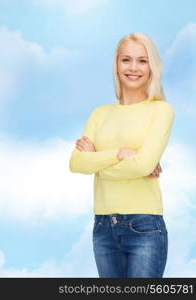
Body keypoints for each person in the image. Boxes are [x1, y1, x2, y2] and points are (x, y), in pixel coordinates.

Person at [69, 32, 175, 278]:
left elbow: (142, 165)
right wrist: (120, 154)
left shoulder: (161, 110)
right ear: (116, 64)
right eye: (126, 60)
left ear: (152, 67)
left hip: (145, 226)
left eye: (142, 60)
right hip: (103, 226)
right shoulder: (100, 114)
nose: (133, 68)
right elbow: (76, 163)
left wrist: (97, 161)